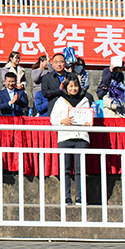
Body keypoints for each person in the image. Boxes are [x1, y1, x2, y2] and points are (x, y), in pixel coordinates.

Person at [50, 73, 92, 205]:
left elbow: (90, 119)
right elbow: (53, 119)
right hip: (65, 137)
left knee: (80, 169)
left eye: (76, 86)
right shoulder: (60, 101)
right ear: (66, 87)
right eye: (71, 86)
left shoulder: (85, 100)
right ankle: (66, 196)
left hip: (81, 138)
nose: (74, 89)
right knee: (65, 169)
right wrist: (62, 121)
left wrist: (88, 123)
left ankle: (80, 197)